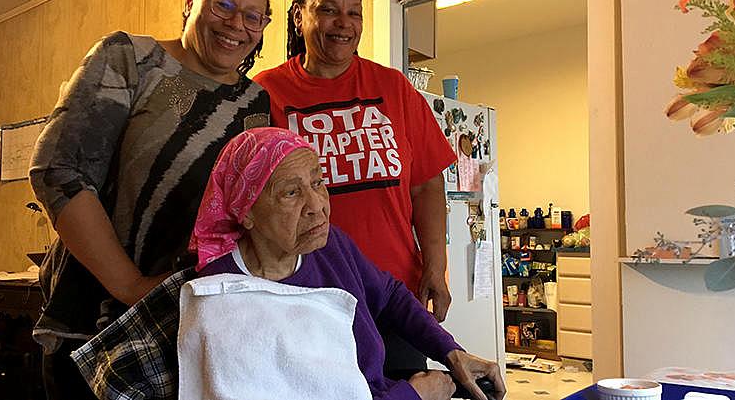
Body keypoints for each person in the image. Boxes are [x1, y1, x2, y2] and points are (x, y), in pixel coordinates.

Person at [71, 127, 506, 400]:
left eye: (319, 183)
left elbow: (390, 295)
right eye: (291, 193)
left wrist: (450, 352)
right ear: (245, 211)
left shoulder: (330, 244)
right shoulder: (225, 296)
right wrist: (415, 394)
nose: (318, 206)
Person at [28, 0, 273, 399]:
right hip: (96, 326)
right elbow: (60, 172)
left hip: (192, 330)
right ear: (190, 0)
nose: (238, 24)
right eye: (223, 4)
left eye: (254, 16)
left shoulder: (257, 104)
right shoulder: (131, 59)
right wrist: (131, 286)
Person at [252, 0, 456, 373]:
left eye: (354, 11)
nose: (343, 23)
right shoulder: (264, 94)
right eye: (328, 9)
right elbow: (249, 200)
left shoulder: (393, 87)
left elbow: (426, 185)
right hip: (304, 298)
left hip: (394, 297)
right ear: (299, 16)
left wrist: (436, 264)